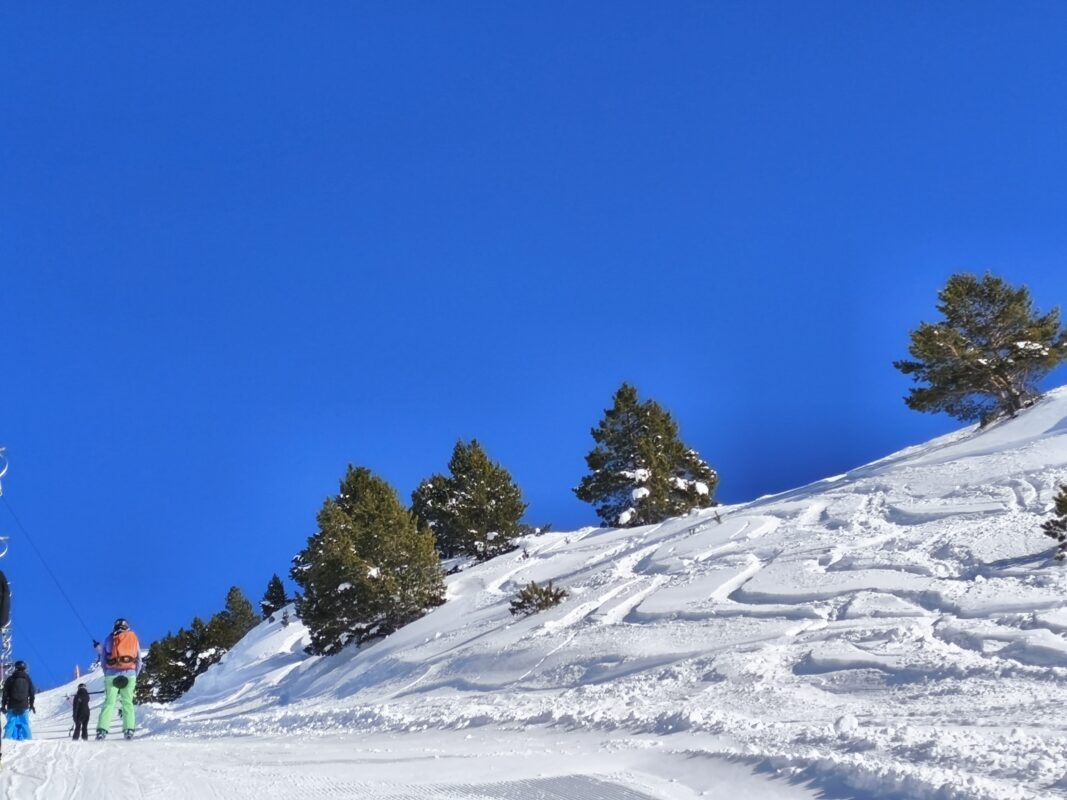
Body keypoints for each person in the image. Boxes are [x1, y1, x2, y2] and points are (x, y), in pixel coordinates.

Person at [93, 618, 141, 740]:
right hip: (129, 674)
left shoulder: (109, 639)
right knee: (127, 702)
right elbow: (139, 659)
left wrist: (108, 673)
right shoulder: (133, 637)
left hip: (111, 674)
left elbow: (103, 660)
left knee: (109, 703)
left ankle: (101, 731)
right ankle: (129, 730)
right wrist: (134, 674)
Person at [1, 660, 36, 740]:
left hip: (12, 705)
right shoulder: (28, 679)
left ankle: (6, 740)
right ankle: (29, 741)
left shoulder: (10, 679)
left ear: (15, 668)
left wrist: (3, 705)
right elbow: (32, 693)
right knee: (25, 724)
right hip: (24, 705)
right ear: (24, 668)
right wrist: (31, 705)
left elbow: (5, 694)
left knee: (10, 723)